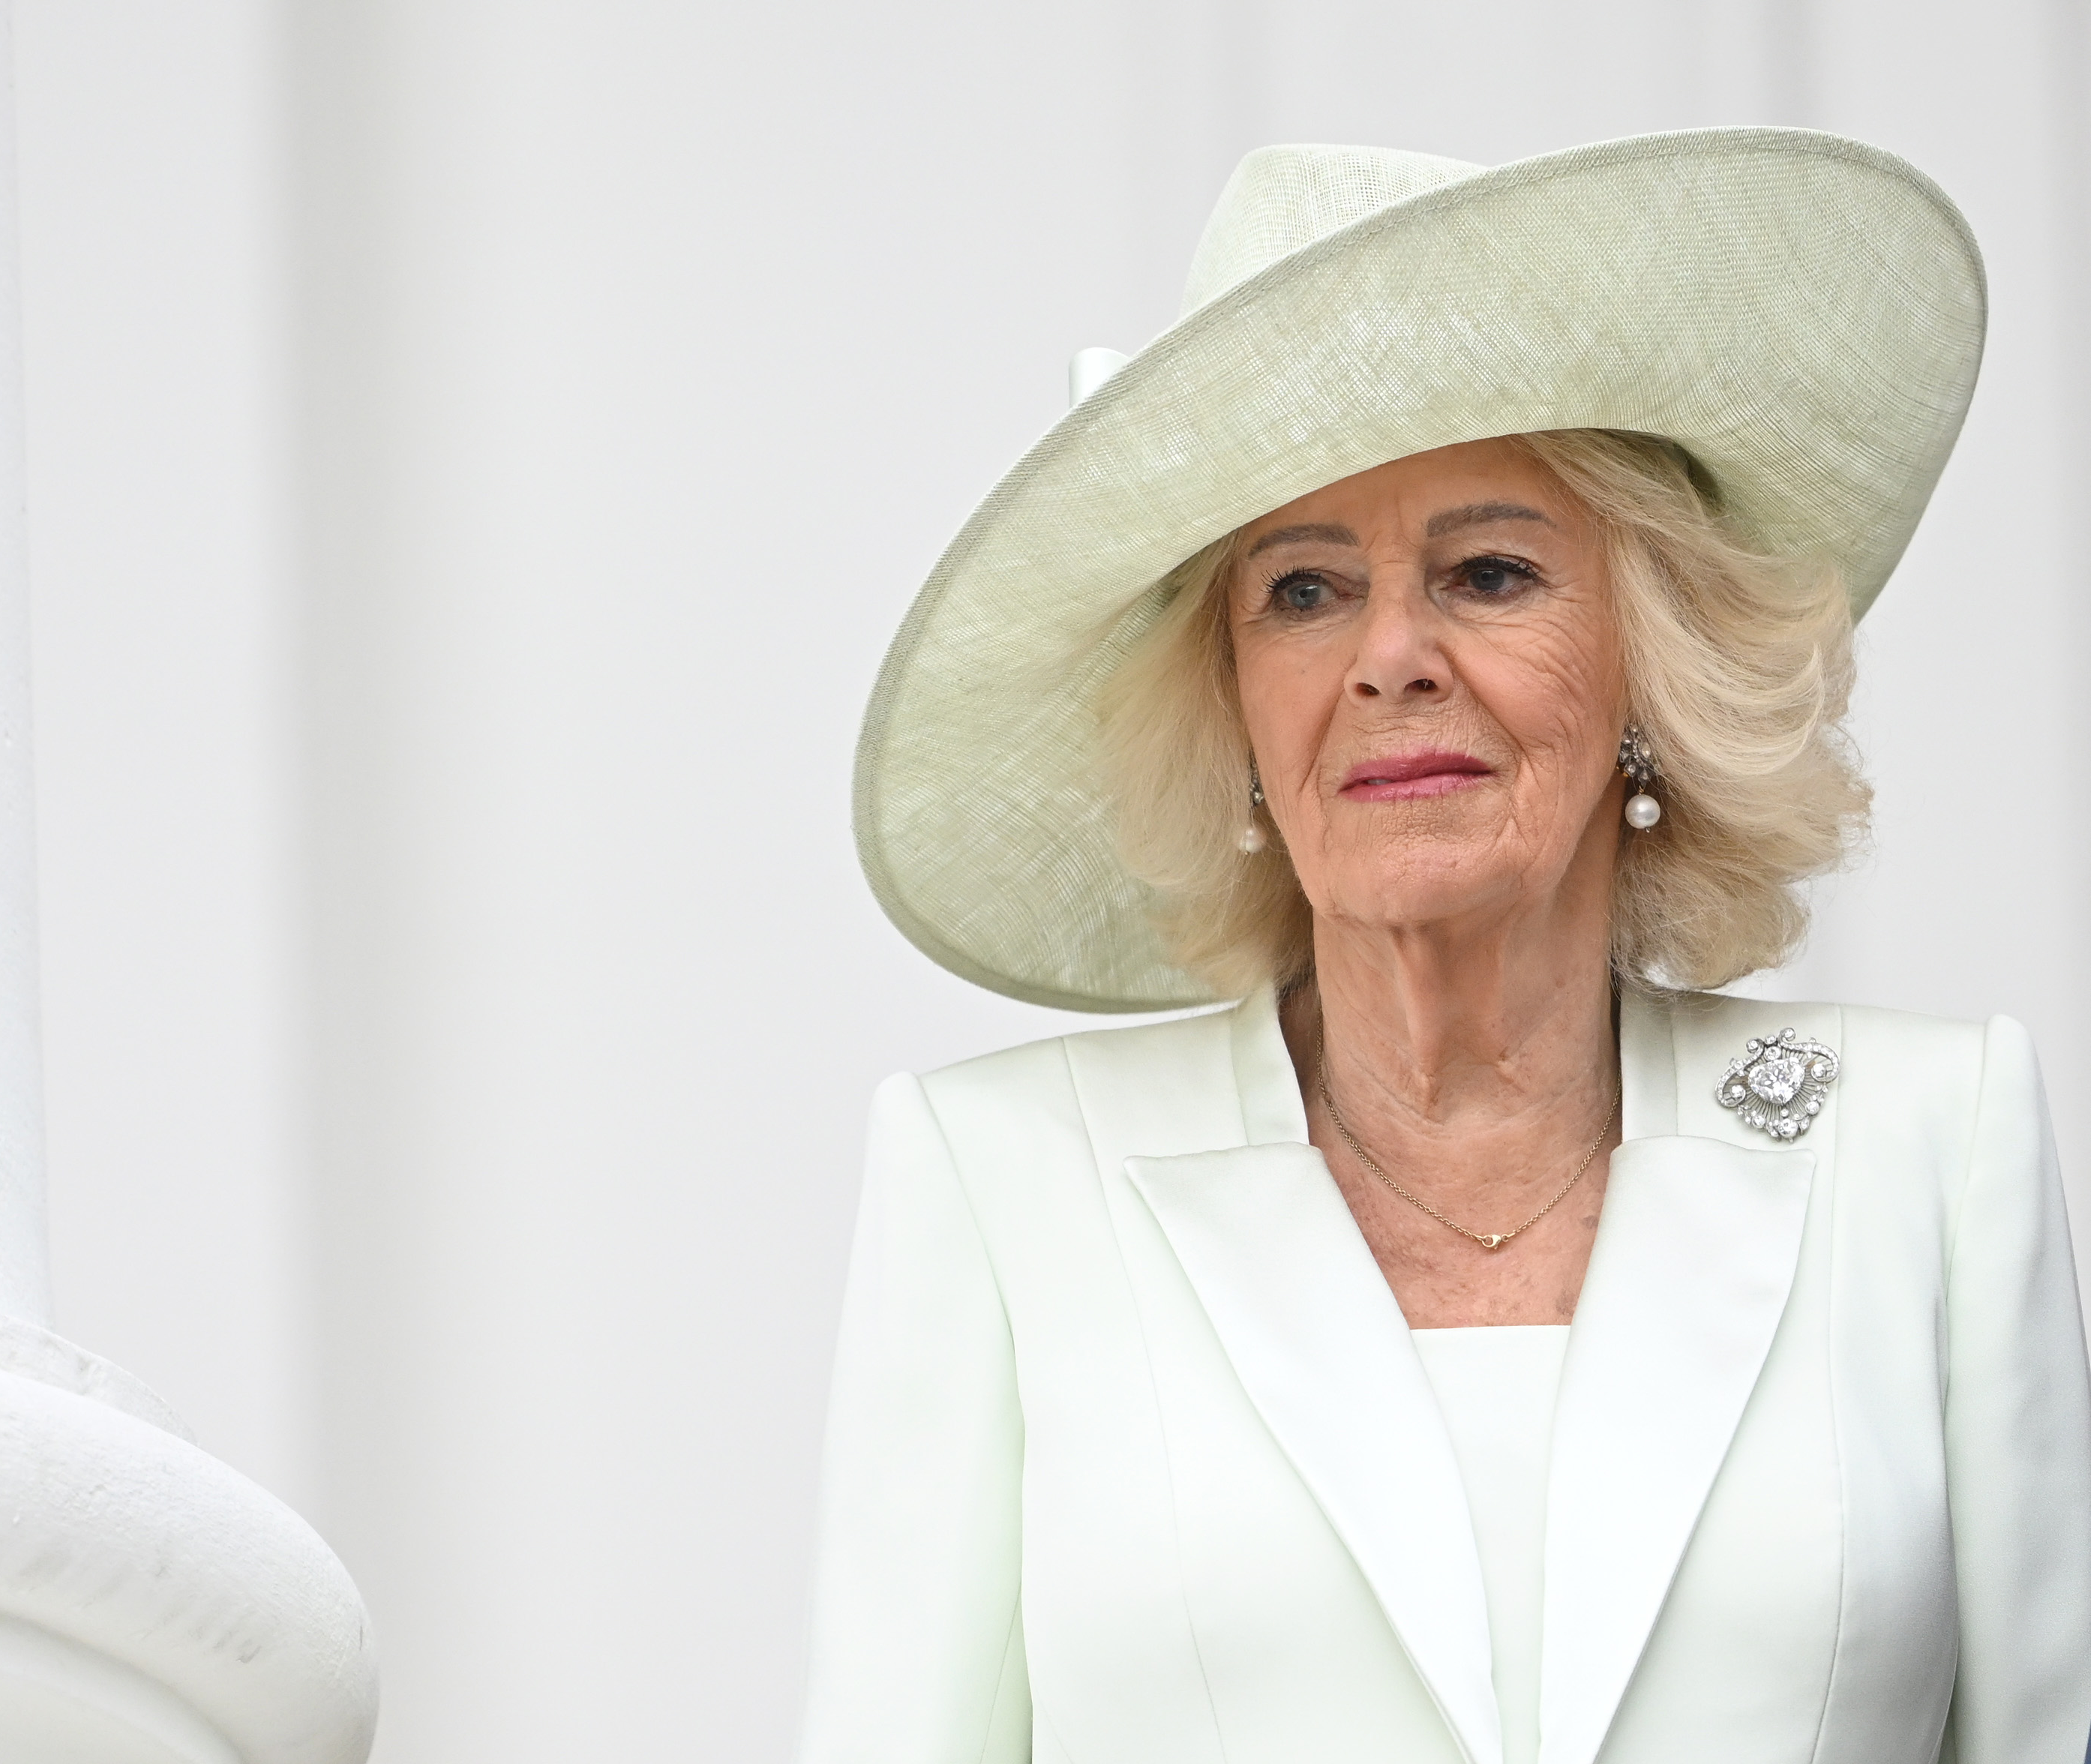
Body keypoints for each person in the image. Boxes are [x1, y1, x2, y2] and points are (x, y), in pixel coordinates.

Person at [805, 130, 2091, 1764]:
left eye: (1486, 573)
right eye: (1299, 591)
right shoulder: (994, 1178)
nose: (1388, 656)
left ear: (1651, 666)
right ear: (1227, 706)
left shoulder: (1929, 1140)